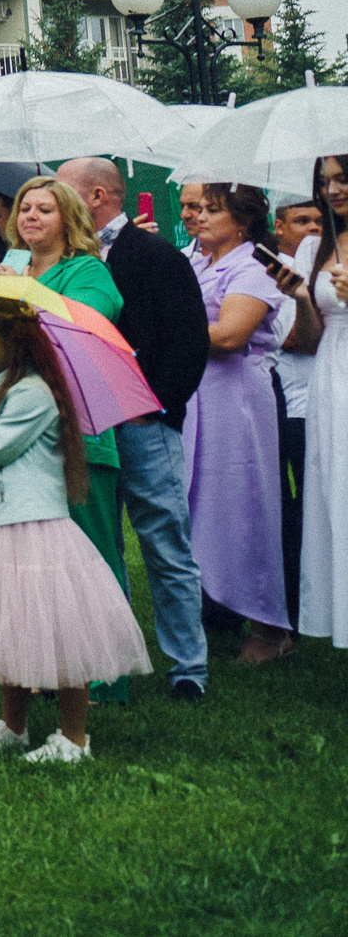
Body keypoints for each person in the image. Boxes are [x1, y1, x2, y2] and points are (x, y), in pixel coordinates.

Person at [0, 294, 152, 763]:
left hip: (35, 526)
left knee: (58, 630)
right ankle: (13, 725)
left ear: (12, 341)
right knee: (11, 627)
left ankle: (74, 737)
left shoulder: (34, 393)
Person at [55, 156, 213, 700]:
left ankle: (188, 667)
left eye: (62, 192)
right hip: (84, 425)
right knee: (98, 545)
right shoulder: (60, 262)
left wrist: (158, 405)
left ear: (97, 197)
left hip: (143, 421)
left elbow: (189, 341)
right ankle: (108, 664)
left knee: (164, 541)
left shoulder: (154, 255)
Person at [0, 173, 132, 698]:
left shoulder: (87, 270)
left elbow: (89, 322)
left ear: (68, 220)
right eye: (25, 208)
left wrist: (19, 294)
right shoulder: (12, 271)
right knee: (40, 560)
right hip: (25, 430)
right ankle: (52, 665)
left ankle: (105, 673)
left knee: (91, 553)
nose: (30, 217)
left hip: (78, 429)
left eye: (44, 210)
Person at [179, 182, 291, 661]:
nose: (200, 217)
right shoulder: (195, 261)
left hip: (236, 396)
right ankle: (214, 602)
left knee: (243, 504)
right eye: (198, 209)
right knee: (198, 501)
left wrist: (170, 328)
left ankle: (269, 628)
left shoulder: (252, 265)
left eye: (213, 210)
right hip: (195, 393)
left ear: (242, 222)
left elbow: (229, 335)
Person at [283, 153, 348, 648]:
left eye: (343, 178)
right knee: (334, 491)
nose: (333, 190)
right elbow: (307, 340)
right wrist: (302, 300)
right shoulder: (316, 247)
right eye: (326, 181)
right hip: (330, 376)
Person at [271, 197, 325, 630]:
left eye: (318, 222)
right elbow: (289, 339)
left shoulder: (327, 267)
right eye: (301, 221)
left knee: (319, 503)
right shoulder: (271, 272)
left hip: (317, 402)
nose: (311, 229)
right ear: (279, 226)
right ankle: (292, 604)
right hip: (282, 400)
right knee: (288, 508)